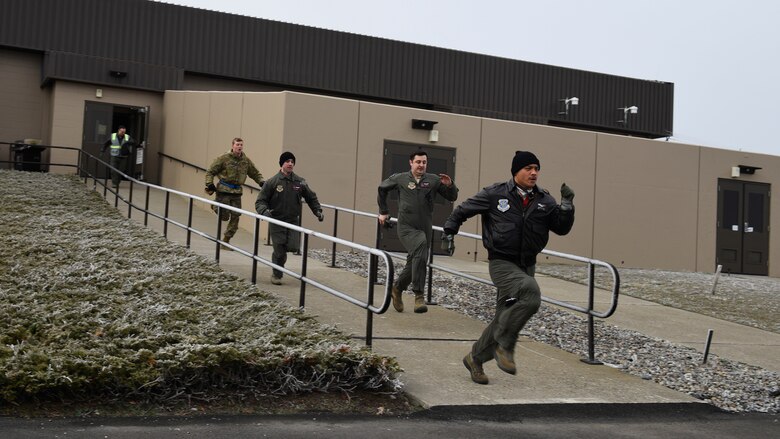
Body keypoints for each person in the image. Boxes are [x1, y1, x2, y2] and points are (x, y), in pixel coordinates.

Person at [442, 150, 575, 385]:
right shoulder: (495, 194)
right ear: (516, 171)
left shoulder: (545, 200)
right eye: (528, 168)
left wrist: (566, 207)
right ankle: (506, 346)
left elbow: (561, 229)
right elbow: (463, 210)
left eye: (536, 168)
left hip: (527, 263)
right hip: (502, 262)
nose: (534, 172)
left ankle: (475, 358)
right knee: (530, 293)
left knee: (504, 316)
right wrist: (449, 232)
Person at [377, 150, 458, 313]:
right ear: (411, 163)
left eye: (424, 162)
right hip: (406, 227)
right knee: (420, 247)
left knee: (416, 259)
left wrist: (450, 185)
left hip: (425, 226)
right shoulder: (400, 178)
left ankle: (397, 289)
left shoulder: (433, 180)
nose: (421, 165)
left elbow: (452, 197)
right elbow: (382, 188)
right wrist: (384, 211)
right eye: (418, 162)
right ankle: (419, 295)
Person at [255, 151, 323, 285]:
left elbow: (311, 197)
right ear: (282, 164)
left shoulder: (299, 182)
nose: (290, 164)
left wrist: (317, 210)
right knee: (279, 250)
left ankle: (280, 258)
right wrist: (264, 212)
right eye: (287, 161)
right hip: (277, 220)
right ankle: (277, 274)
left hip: (292, 220)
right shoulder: (272, 182)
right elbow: (260, 201)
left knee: (293, 246)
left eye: (292, 162)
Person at [204, 137, 265, 248]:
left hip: (237, 192)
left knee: (236, 216)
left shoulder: (245, 161)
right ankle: (215, 206)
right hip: (224, 190)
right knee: (224, 217)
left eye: (241, 145)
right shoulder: (223, 158)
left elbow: (255, 173)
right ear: (232, 146)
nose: (239, 147)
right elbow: (210, 171)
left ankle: (226, 240)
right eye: (237, 145)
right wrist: (209, 183)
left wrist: (261, 182)